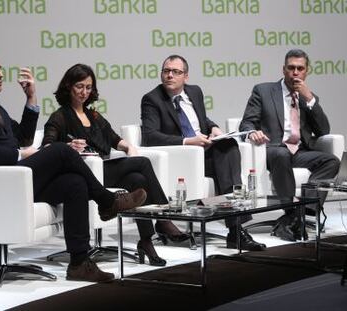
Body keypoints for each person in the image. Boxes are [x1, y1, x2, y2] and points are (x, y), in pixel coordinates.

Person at [0, 49, 148, 283]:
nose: (0, 74)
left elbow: (22, 138)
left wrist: (31, 99)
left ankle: (80, 263)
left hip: (11, 179)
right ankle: (108, 201)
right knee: (60, 149)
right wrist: (20, 153)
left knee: (75, 183)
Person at [42, 64, 190, 267]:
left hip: (104, 170)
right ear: (68, 86)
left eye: (88, 87)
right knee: (144, 163)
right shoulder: (60, 116)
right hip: (87, 175)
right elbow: (47, 147)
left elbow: (114, 139)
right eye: (79, 86)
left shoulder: (93, 115)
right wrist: (67, 146)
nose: (84, 92)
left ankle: (146, 242)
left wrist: (128, 147)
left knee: (137, 180)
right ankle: (163, 219)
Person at [141, 55, 265, 251]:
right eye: (166, 71)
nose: (170, 75)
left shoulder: (195, 92)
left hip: (205, 152)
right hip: (182, 158)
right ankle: (236, 230)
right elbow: (150, 136)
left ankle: (236, 229)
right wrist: (189, 141)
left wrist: (214, 128)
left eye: (176, 72)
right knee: (225, 162)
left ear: (186, 77)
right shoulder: (152, 99)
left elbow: (200, 120)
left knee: (229, 145)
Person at [239, 49, 340, 241]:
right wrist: (253, 132)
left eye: (300, 68)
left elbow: (323, 131)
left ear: (306, 71)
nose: (295, 72)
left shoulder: (308, 97)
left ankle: (302, 211)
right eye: (291, 68)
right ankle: (292, 213)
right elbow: (246, 123)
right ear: (283, 69)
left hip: (299, 151)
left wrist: (309, 100)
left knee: (332, 161)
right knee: (281, 154)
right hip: (272, 150)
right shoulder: (264, 90)